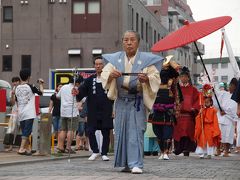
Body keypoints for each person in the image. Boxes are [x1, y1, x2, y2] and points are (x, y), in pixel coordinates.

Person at [101, 30, 163, 174]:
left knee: (136, 131)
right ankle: (126, 164)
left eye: (132, 40)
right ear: (122, 42)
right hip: (122, 100)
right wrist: (110, 75)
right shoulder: (115, 59)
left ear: (138, 42)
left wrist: (147, 79)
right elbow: (104, 74)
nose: (129, 43)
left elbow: (156, 77)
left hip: (137, 101)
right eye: (126, 40)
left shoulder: (147, 60)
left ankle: (136, 164)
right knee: (122, 131)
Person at [76, 56, 114, 161]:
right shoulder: (89, 80)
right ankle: (95, 151)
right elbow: (82, 91)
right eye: (96, 64)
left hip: (106, 109)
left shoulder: (110, 79)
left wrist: (114, 109)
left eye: (100, 64)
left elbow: (115, 94)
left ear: (104, 65)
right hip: (92, 110)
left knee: (106, 131)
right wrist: (77, 92)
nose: (98, 66)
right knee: (90, 131)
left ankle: (105, 153)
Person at [149, 55, 182, 160]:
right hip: (156, 108)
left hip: (168, 109)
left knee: (167, 131)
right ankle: (161, 151)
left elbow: (177, 94)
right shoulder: (155, 79)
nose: (163, 70)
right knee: (157, 131)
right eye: (162, 68)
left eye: (166, 68)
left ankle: (166, 152)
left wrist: (177, 108)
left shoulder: (172, 81)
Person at [15, 69, 44, 155]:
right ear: (28, 77)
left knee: (25, 131)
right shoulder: (31, 86)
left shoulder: (17, 88)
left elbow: (17, 101)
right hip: (29, 112)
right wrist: (41, 84)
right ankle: (21, 149)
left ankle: (28, 149)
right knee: (27, 131)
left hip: (21, 112)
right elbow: (41, 93)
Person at [173, 66, 200, 156]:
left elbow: (197, 100)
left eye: (185, 76)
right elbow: (174, 100)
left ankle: (186, 149)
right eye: (181, 76)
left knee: (187, 131)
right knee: (178, 131)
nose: (183, 78)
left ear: (188, 78)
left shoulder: (194, 89)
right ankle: (178, 148)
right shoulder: (177, 89)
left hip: (189, 115)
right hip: (179, 115)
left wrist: (194, 108)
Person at [56, 76, 83, 154]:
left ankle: (60, 147)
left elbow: (58, 96)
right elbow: (82, 99)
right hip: (72, 112)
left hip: (63, 111)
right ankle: (68, 147)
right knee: (71, 130)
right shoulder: (77, 89)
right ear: (77, 83)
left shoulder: (63, 87)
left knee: (63, 130)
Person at [195, 84, 221, 159]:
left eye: (208, 102)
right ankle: (202, 153)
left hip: (210, 128)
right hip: (203, 128)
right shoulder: (202, 110)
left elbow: (215, 120)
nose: (206, 104)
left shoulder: (213, 110)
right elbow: (198, 118)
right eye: (205, 102)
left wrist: (215, 129)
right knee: (202, 140)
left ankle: (209, 153)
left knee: (209, 141)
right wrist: (200, 115)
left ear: (211, 102)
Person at [215, 78, 238, 157]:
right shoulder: (224, 93)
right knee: (219, 134)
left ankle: (226, 150)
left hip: (229, 119)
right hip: (221, 117)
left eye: (232, 85)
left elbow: (234, 108)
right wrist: (212, 87)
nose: (230, 87)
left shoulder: (236, 97)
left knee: (228, 135)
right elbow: (216, 97)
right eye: (230, 85)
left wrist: (226, 112)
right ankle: (218, 149)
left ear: (236, 87)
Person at [4, 77, 21, 151]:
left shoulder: (22, 89)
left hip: (22, 111)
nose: (15, 83)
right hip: (14, 111)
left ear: (19, 82)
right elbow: (12, 103)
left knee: (20, 129)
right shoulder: (12, 91)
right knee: (11, 128)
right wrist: (13, 95)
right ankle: (10, 146)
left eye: (16, 81)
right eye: (13, 81)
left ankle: (20, 146)